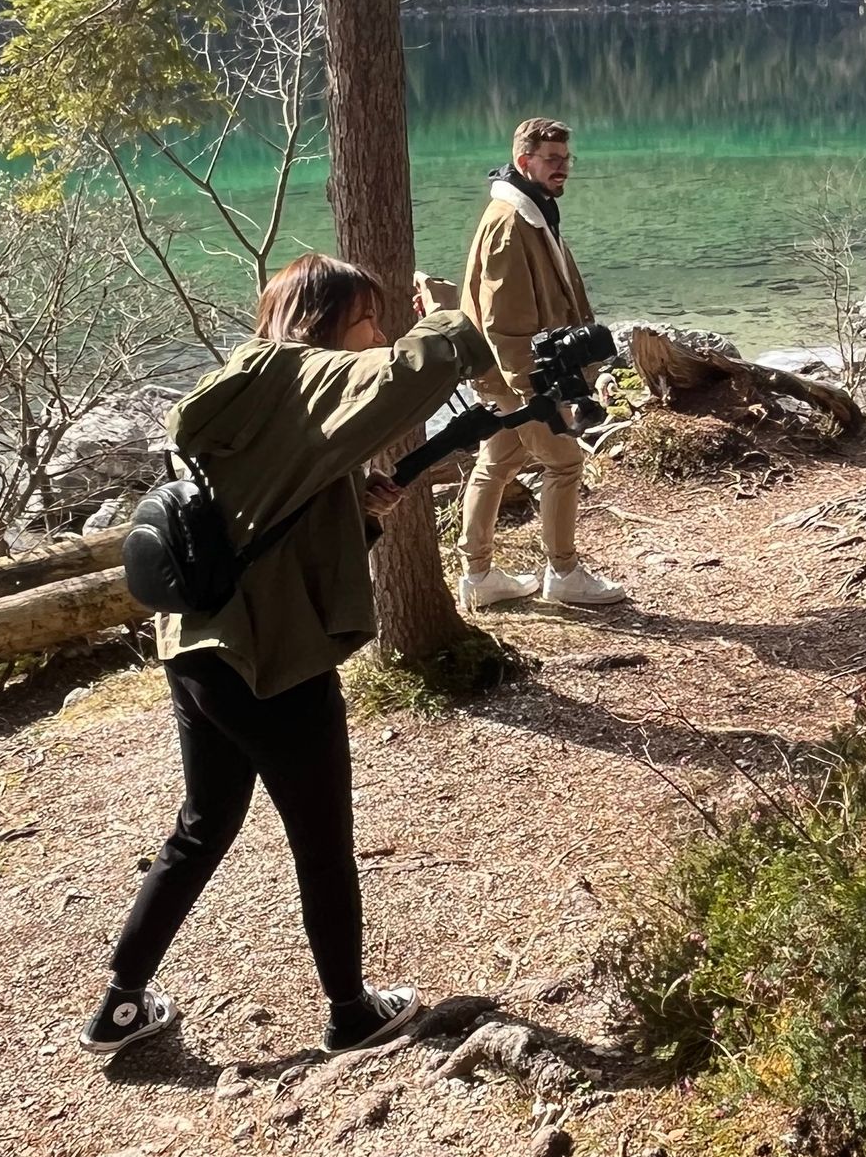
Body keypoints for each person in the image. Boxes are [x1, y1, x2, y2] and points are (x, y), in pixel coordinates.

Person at [80, 255, 491, 1060]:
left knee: (203, 825)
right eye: (366, 319)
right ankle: (350, 1012)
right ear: (325, 322)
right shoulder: (304, 375)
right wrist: (448, 311)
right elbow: (416, 371)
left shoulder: (241, 382)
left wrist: (357, 514)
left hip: (197, 649)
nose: (376, 334)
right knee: (322, 839)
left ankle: (119, 1005)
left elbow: (262, 521)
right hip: (272, 662)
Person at [455, 116, 627, 611]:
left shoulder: (534, 211)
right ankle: (563, 572)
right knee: (565, 462)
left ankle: (478, 576)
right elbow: (503, 320)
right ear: (523, 161)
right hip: (517, 375)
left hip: (513, 372)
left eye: (566, 158)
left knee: (497, 462)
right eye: (552, 159)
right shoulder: (510, 223)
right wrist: (535, 392)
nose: (562, 168)